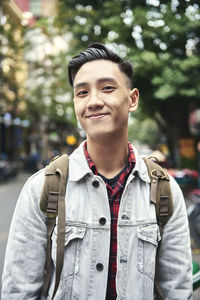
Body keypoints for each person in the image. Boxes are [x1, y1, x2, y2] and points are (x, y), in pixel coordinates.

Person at [1, 43, 192, 299]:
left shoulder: (165, 191)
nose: (93, 101)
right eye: (82, 93)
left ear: (132, 99)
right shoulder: (42, 189)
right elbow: (18, 291)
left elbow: (177, 291)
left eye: (107, 88)